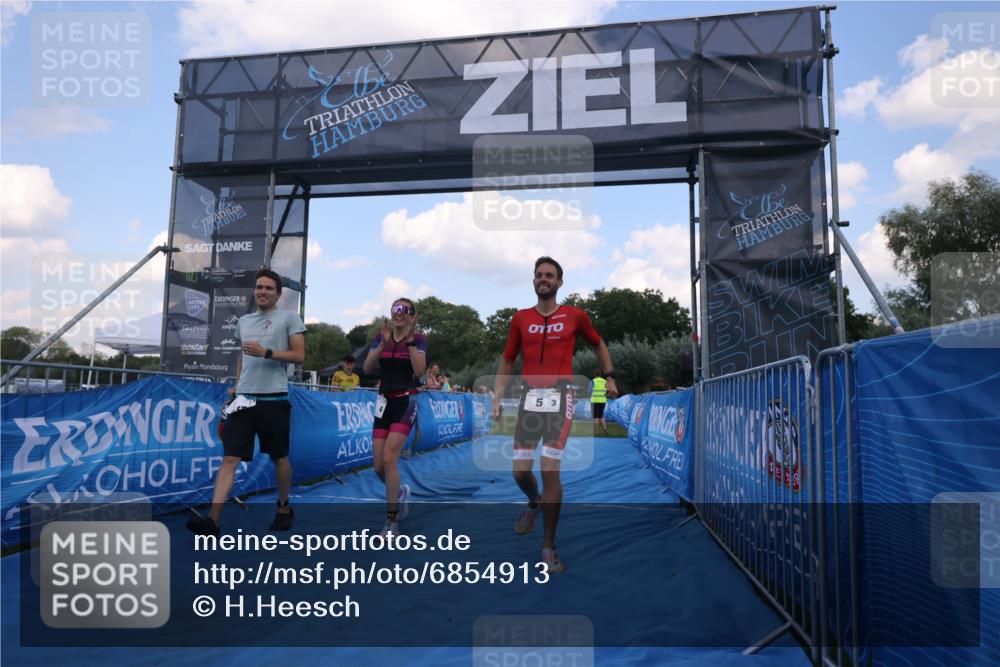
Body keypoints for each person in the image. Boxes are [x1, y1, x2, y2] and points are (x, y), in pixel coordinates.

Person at [492, 256, 617, 573]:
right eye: (539, 274)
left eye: (549, 275)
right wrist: (497, 395)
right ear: (533, 281)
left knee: (549, 470)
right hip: (529, 399)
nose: (543, 278)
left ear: (560, 282)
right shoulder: (520, 319)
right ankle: (534, 502)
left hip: (562, 398)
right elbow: (508, 359)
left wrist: (610, 374)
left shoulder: (575, 316)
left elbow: (599, 343)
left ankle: (548, 546)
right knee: (520, 472)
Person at [188, 268, 306, 537]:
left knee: (279, 458)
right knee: (229, 458)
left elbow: (299, 356)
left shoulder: (289, 318)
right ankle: (213, 522)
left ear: (277, 294)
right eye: (259, 287)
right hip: (243, 401)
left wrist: (267, 352)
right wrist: (238, 385)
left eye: (268, 288)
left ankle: (284, 507)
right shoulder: (244, 321)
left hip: (274, 399)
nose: (263, 291)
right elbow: (244, 358)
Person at [363, 298, 427, 536]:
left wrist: (409, 342)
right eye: (395, 309)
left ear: (412, 315)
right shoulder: (383, 337)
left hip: (406, 401)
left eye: (404, 310)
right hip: (384, 403)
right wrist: (382, 344)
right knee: (378, 465)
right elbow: (368, 368)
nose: (398, 313)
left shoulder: (419, 339)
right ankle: (399, 493)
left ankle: (392, 521)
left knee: (390, 458)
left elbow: (420, 371)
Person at [590, 369, 609, 435]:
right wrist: (605, 394)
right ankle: (605, 429)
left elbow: (589, 391)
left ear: (594, 374)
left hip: (595, 401)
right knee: (601, 416)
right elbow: (608, 390)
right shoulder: (604, 381)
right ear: (600, 374)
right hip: (603, 401)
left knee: (596, 417)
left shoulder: (593, 381)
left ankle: (595, 432)